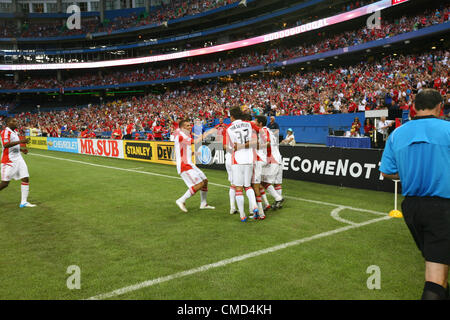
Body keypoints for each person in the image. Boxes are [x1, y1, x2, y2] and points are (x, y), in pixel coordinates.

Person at [380, 89, 450, 300]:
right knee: (436, 277)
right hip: (442, 207)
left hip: (412, 208)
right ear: (439, 107)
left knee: (438, 266)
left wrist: (411, 171)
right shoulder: (447, 129)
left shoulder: (398, 134)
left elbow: (386, 171)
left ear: (414, 107)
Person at [226, 107, 259, 222]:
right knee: (248, 186)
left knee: (238, 188)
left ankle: (242, 215)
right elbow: (260, 130)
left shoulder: (229, 128)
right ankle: (254, 206)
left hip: (237, 159)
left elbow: (229, 146)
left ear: (232, 116)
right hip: (249, 158)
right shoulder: (249, 124)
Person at [174, 119, 215, 213]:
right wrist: (208, 132)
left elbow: (183, 149)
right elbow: (196, 141)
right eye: (188, 126)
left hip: (189, 163)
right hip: (184, 165)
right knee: (199, 184)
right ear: (183, 127)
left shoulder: (183, 135)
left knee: (205, 181)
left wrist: (193, 153)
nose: (190, 127)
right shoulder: (180, 135)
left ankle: (203, 204)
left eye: (190, 125)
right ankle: (181, 200)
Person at [0, 117, 36, 208]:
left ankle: (23, 202)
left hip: (18, 159)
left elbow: (14, 146)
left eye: (16, 121)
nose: (16, 122)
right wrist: (21, 141)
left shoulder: (15, 132)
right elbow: (6, 145)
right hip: (9, 160)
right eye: (13, 121)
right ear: (8, 123)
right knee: (5, 183)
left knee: (25, 178)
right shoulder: (5, 132)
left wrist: (22, 150)